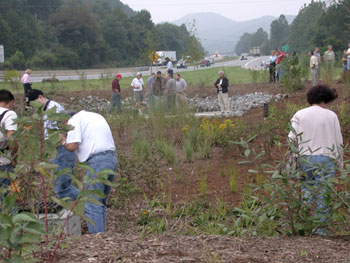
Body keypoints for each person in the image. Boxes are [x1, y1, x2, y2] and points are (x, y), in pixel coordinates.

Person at [288, 85, 343, 235]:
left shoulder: (300, 114)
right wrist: (340, 164)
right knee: (324, 196)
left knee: (307, 191)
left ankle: (303, 226)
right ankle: (320, 231)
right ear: (325, 99)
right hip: (327, 159)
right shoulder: (331, 116)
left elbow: (291, 138)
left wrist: (295, 156)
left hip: (305, 158)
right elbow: (339, 142)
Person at [64, 110, 117, 234]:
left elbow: (71, 146)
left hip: (97, 161)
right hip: (111, 159)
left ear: (66, 121)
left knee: (91, 202)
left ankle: (97, 238)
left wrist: (63, 140)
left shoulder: (74, 120)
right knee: (99, 202)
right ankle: (101, 236)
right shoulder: (95, 116)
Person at [27, 89, 79, 200]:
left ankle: (91, 202)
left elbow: (62, 130)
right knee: (62, 186)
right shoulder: (45, 110)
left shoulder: (54, 108)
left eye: (34, 104)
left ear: (40, 97)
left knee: (63, 188)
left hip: (62, 150)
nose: (34, 108)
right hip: (56, 150)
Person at [0, 90, 18, 195]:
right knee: (6, 200)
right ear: (11, 102)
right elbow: (12, 139)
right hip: (3, 163)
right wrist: (14, 159)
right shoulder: (9, 114)